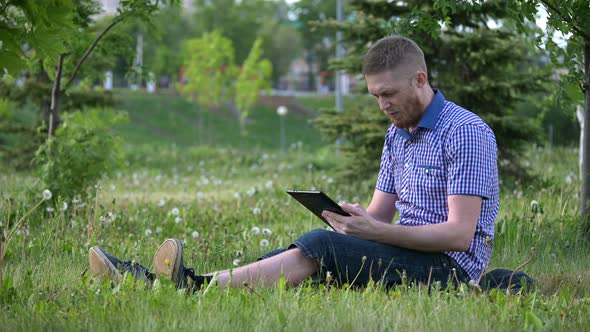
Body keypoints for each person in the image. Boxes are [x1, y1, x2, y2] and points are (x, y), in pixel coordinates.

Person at [89, 35, 499, 291]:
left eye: (388, 94)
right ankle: (175, 283)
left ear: (420, 80)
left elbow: (459, 235)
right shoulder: (398, 134)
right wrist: (354, 221)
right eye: (375, 96)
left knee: (318, 246)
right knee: (302, 247)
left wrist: (374, 230)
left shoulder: (465, 132)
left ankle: (190, 288)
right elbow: (378, 215)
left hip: (449, 272)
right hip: (405, 254)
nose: (382, 105)